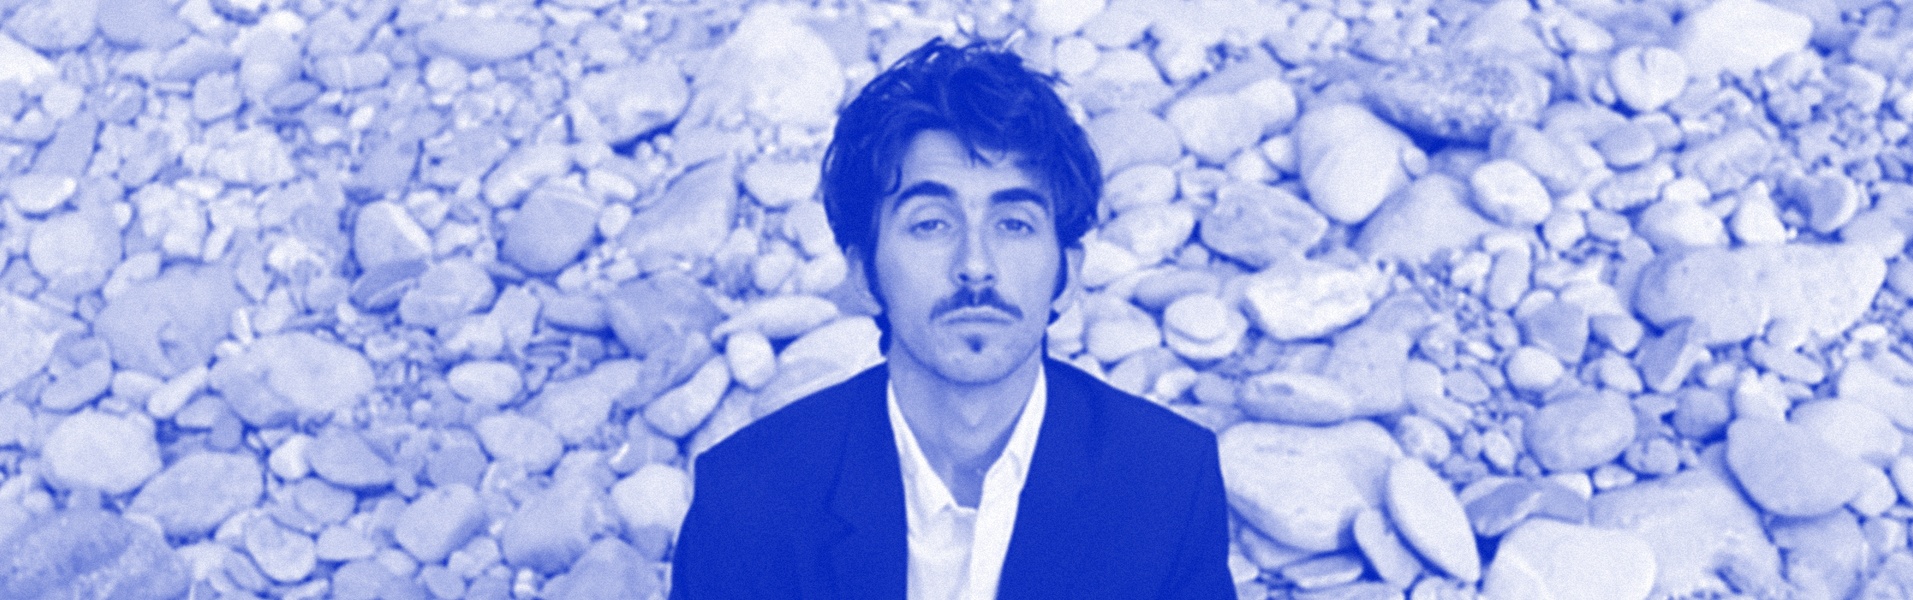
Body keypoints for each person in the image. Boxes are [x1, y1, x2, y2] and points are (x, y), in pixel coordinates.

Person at [670, 37, 1233, 600]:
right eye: (931, 223)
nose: (975, 266)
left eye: (1014, 224)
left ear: (1068, 275)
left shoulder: (1166, 482)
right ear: (864, 275)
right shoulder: (748, 499)